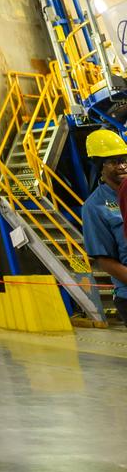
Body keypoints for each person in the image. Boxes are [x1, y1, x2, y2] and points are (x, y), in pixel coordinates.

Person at [82, 128, 127, 327]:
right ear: (100, 166)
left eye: (124, 159)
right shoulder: (94, 207)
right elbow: (105, 260)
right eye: (114, 161)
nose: (123, 166)